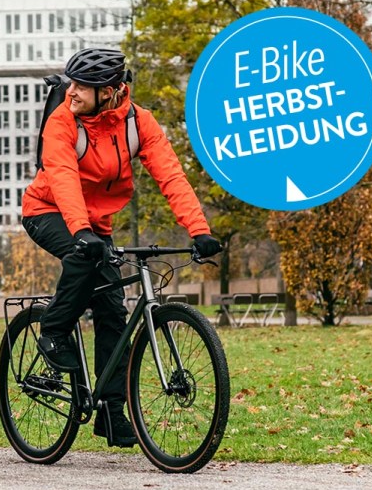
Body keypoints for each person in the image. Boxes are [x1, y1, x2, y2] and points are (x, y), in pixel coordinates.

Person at [22, 47, 222, 447]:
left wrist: (198, 230)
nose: (73, 91)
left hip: (96, 224)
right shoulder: (62, 121)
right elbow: (61, 177)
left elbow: (171, 175)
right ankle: (54, 331)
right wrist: (80, 231)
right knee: (83, 259)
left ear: (111, 91)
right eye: (72, 82)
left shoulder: (138, 122)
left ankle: (112, 414)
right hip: (47, 211)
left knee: (113, 311)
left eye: (84, 86)